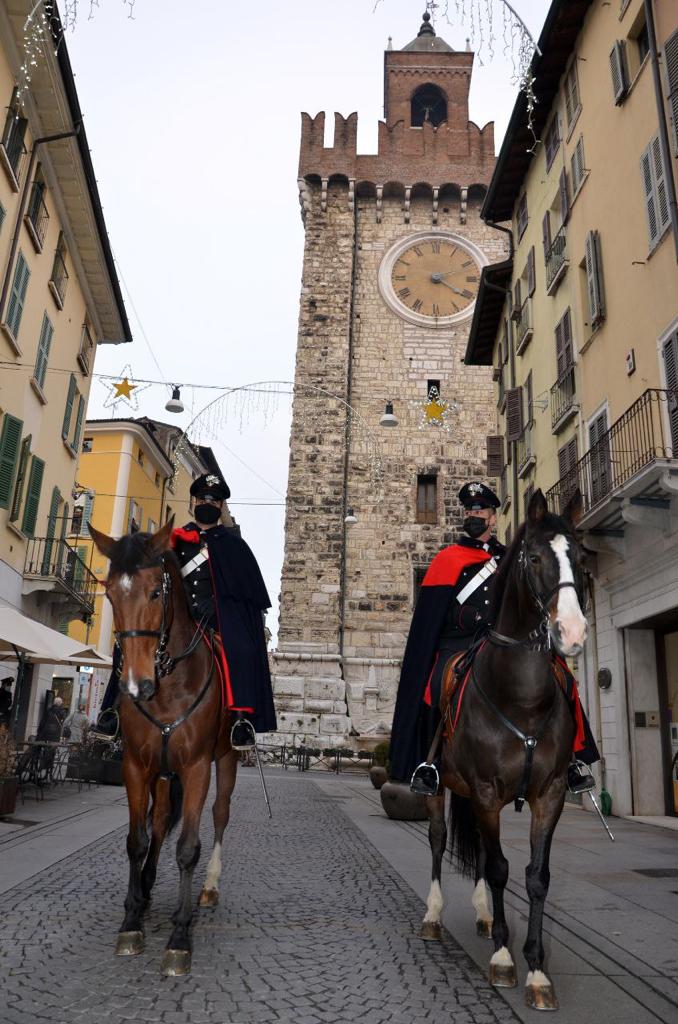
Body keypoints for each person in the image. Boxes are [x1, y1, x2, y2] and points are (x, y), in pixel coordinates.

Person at [389, 480, 598, 797]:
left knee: (562, 677)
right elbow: (433, 617)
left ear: (493, 517)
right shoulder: (446, 560)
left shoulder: (510, 557)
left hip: (504, 640)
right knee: (434, 686)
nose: (474, 514)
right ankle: (429, 763)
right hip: (458, 642)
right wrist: (470, 618)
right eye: (469, 509)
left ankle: (571, 760)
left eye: (481, 509)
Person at [170, 473, 277, 749]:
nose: (208, 503)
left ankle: (241, 719)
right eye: (203, 498)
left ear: (221, 507)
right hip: (176, 618)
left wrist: (217, 606)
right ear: (193, 501)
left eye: (214, 500)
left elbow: (246, 597)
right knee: (131, 643)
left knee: (243, 649)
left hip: (215, 620)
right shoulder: (175, 540)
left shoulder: (234, 546)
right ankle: (113, 713)